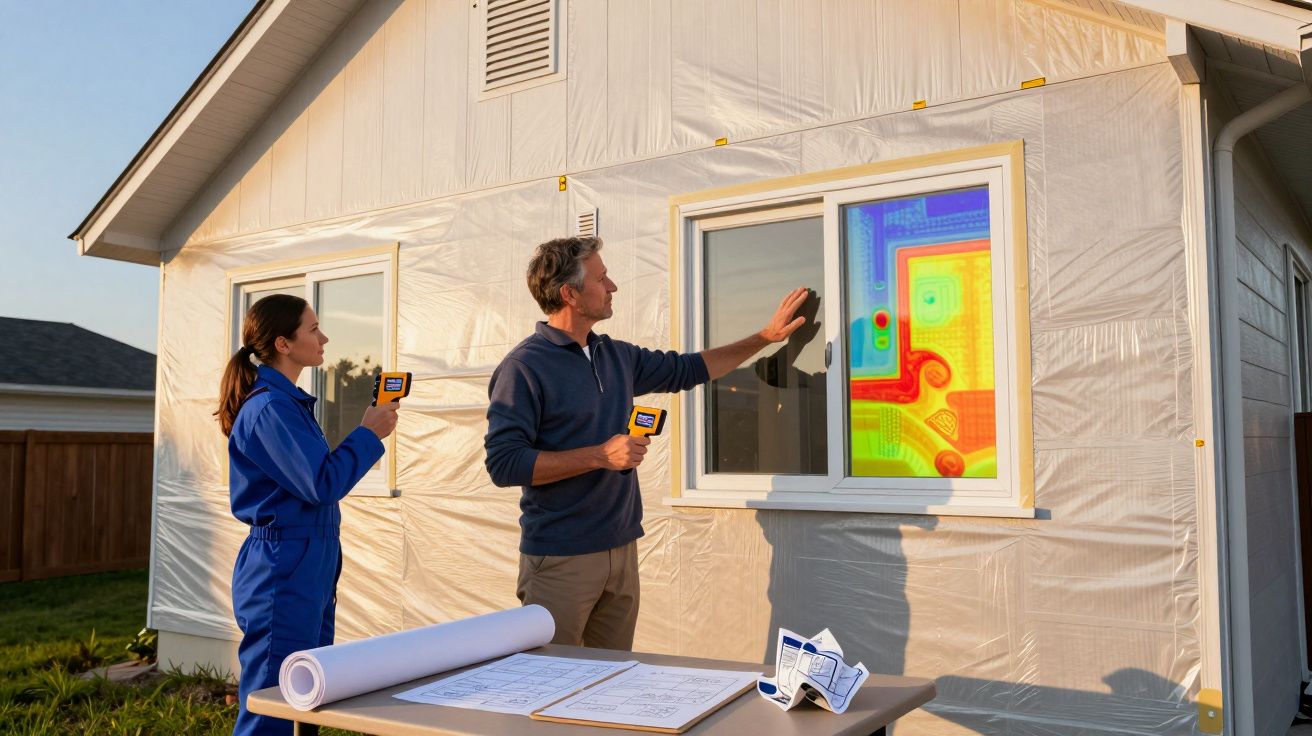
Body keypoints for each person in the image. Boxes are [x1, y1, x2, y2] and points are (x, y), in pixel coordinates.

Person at [484, 236, 809, 651]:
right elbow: (504, 464)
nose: (613, 286)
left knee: (613, 685)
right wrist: (600, 455)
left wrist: (763, 338)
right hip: (560, 559)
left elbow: (687, 369)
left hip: (621, 548)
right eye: (601, 278)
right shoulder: (523, 368)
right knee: (553, 688)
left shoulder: (614, 355)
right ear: (570, 293)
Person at [215, 294, 399, 736]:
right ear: (283, 343)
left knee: (308, 695)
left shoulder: (289, 403)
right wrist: (368, 433)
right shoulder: (269, 409)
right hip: (283, 565)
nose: (324, 338)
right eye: (313, 329)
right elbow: (322, 484)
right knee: (273, 705)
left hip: (309, 560)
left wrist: (367, 434)